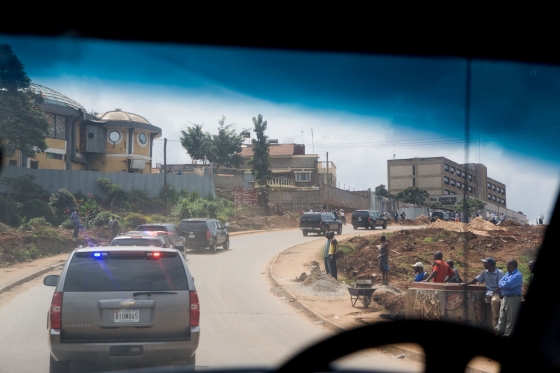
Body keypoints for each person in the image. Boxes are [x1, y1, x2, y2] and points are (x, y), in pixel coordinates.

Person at [461, 257, 504, 328]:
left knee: (495, 301)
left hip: (497, 292)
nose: (484, 264)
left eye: (485, 263)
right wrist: (466, 284)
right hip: (489, 293)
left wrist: (493, 292)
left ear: (490, 264)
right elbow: (477, 279)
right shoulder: (485, 272)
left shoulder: (499, 272)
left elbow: (501, 285)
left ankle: (496, 320)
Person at [495, 259, 523, 337]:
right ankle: (499, 333)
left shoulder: (517, 275)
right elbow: (500, 283)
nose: (506, 266)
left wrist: (504, 285)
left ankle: (507, 335)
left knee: (511, 319)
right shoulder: (508, 273)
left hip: (513, 298)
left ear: (512, 266)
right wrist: (504, 284)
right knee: (502, 318)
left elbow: (508, 285)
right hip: (505, 298)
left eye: (507, 264)